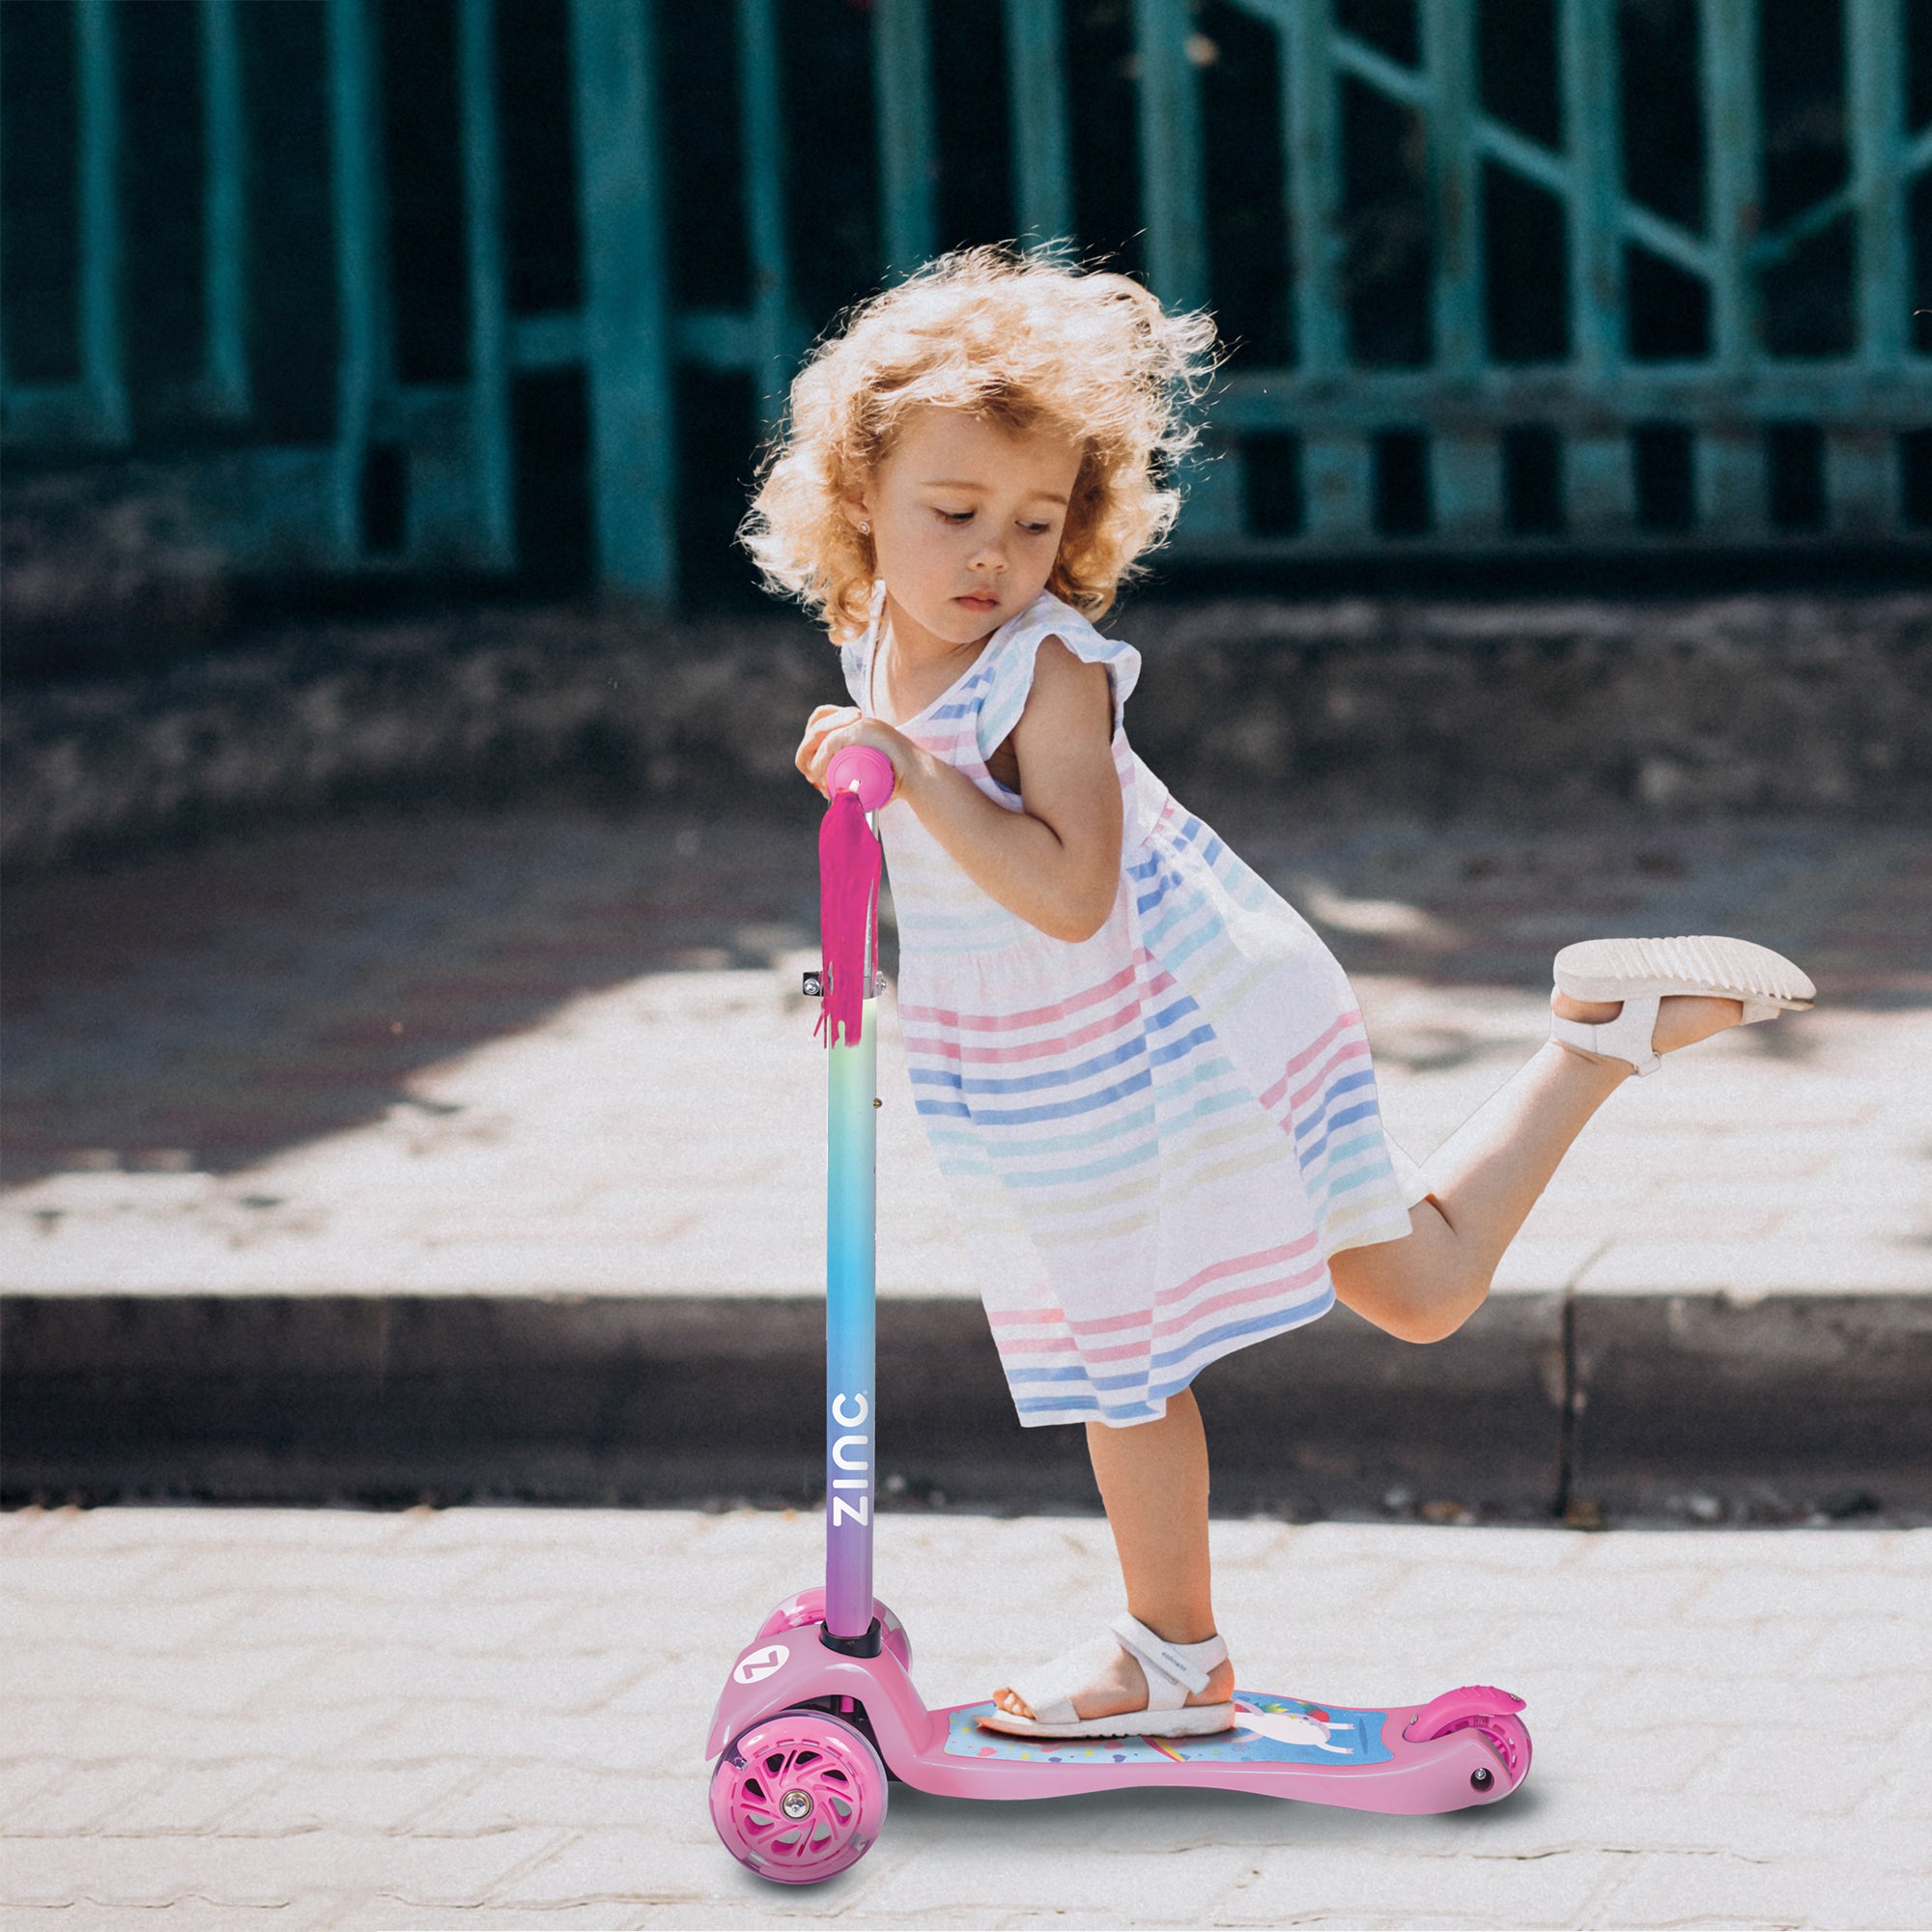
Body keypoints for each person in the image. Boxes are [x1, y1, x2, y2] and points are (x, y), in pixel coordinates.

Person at [742, 243, 1813, 1741]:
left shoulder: (1044, 671)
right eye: (956, 512)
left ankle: (1173, 1661)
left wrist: (910, 778)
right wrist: (854, 907)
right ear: (858, 498)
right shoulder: (879, 642)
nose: (993, 555)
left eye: (1038, 520)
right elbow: (915, 854)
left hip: (1172, 1027)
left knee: (1128, 1366)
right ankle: (1595, 1043)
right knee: (1417, 1290)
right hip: (1048, 1051)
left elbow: (1067, 891)